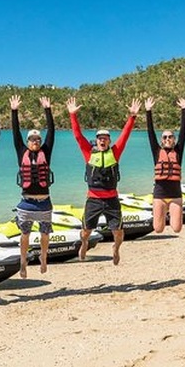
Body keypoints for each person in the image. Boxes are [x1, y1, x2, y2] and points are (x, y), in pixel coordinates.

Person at [67, 96, 142, 265]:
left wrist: (132, 117)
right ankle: (84, 243)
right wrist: (73, 115)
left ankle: (116, 248)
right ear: (97, 140)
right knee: (86, 231)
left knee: (119, 232)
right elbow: (78, 137)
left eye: (105, 138)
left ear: (109, 141)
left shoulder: (115, 153)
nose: (102, 140)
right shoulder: (89, 153)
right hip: (93, 199)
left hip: (111, 199)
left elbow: (125, 135)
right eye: (100, 138)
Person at [10, 95, 55, 278]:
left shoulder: (46, 151)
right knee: (25, 234)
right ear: (28, 142)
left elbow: (51, 131)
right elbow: (15, 133)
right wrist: (14, 111)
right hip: (26, 203)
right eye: (32, 140)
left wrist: (48, 110)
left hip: (44, 202)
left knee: (45, 235)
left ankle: (43, 258)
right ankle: (23, 262)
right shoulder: (22, 152)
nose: (35, 142)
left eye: (37, 139)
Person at [144, 96, 185, 234]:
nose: (167, 139)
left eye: (170, 137)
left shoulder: (178, 152)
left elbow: (183, 132)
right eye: (165, 137)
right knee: (158, 229)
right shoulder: (157, 151)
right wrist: (148, 111)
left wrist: (184, 110)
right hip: (160, 194)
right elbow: (150, 132)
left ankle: (172, 213)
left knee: (177, 228)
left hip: (175, 194)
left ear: (173, 139)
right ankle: (163, 212)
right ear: (161, 141)